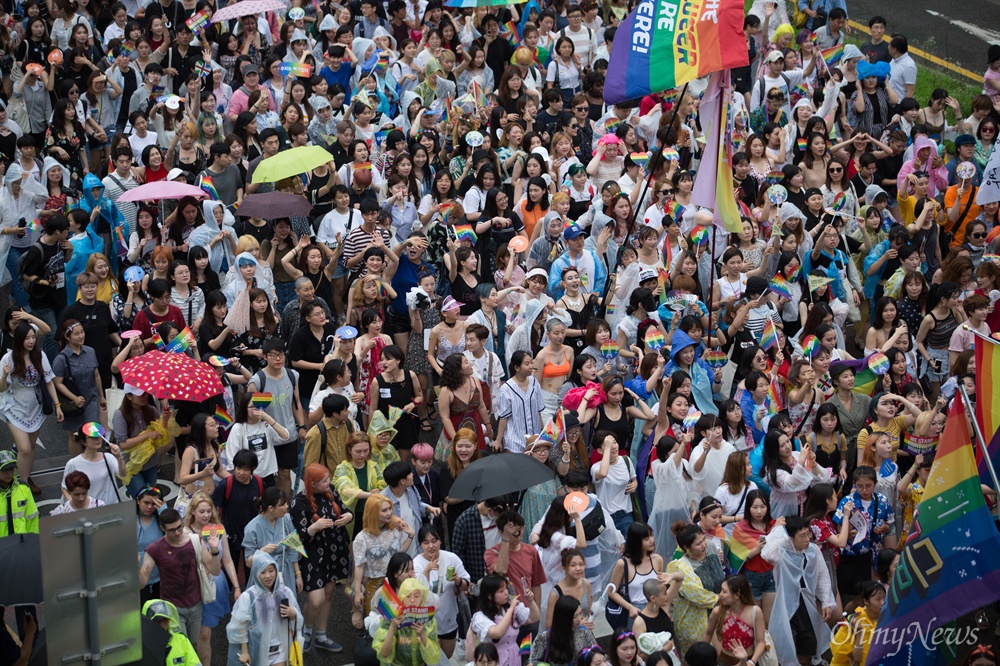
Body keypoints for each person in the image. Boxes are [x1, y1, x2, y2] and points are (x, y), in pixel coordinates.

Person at [289, 464, 352, 653]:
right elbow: (295, 537)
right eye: (324, 481)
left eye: (328, 479)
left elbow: (344, 508)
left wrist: (347, 516)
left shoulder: (330, 491)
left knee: (329, 594)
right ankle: (307, 630)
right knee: (316, 599)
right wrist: (314, 528)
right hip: (313, 554)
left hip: (334, 550)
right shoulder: (298, 502)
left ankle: (322, 635)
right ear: (312, 483)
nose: (329, 483)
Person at [139, 507, 222, 644]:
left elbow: (215, 571)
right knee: (179, 647)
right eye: (172, 530)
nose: (177, 532)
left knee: (193, 645)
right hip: (173, 608)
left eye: (180, 527)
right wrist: (136, 569)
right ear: (162, 528)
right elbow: (142, 583)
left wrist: (214, 551)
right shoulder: (155, 549)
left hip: (196, 605)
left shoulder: (194, 540)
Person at [761, 516, 837, 666]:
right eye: (802, 536)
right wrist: (777, 529)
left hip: (806, 606)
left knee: (806, 649)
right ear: (790, 538)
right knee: (786, 648)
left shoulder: (813, 551)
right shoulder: (780, 552)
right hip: (786, 604)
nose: (807, 539)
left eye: (808, 534)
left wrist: (827, 601)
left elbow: (822, 576)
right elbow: (767, 554)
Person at [0, 322, 63, 494]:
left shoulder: (40, 355)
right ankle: (20, 484)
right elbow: (1, 388)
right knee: (24, 448)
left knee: (31, 446)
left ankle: (26, 480)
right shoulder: (8, 359)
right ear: (19, 339)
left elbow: (49, 381)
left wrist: (58, 405)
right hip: (14, 407)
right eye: (27, 338)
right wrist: (5, 374)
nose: (31, 341)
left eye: (33, 337)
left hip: (36, 407)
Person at [226, 552, 303, 666]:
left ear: (276, 570)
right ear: (256, 574)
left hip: (280, 649)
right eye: (263, 572)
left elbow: (299, 621)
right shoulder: (249, 597)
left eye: (271, 570)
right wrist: (245, 652)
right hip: (258, 649)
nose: (268, 576)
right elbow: (240, 626)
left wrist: (294, 614)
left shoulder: (286, 592)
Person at [413, 525, 471, 660]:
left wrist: (457, 580)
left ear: (440, 541)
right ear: (421, 544)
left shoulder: (452, 558)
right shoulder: (416, 563)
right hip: (426, 623)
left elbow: (467, 585)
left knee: (447, 656)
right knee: (431, 658)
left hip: (448, 619)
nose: (431, 546)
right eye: (426, 542)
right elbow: (418, 593)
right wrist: (426, 571)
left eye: (434, 541)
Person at [471, 573, 540, 666]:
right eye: (501, 591)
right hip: (493, 659)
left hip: (514, 656)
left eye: (506, 589)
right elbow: (497, 633)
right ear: (489, 596)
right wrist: (511, 609)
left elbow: (534, 618)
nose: (506, 593)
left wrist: (530, 601)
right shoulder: (480, 616)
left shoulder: (510, 608)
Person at [143, 599, 201, 666]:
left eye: (165, 620)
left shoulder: (181, 640)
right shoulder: (142, 646)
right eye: (157, 621)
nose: (162, 624)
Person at [0, 450, 39, 537]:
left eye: (11, 469)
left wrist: (32, 541)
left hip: (21, 543)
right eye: (5, 470)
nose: (9, 473)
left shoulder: (24, 488)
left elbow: (32, 519)